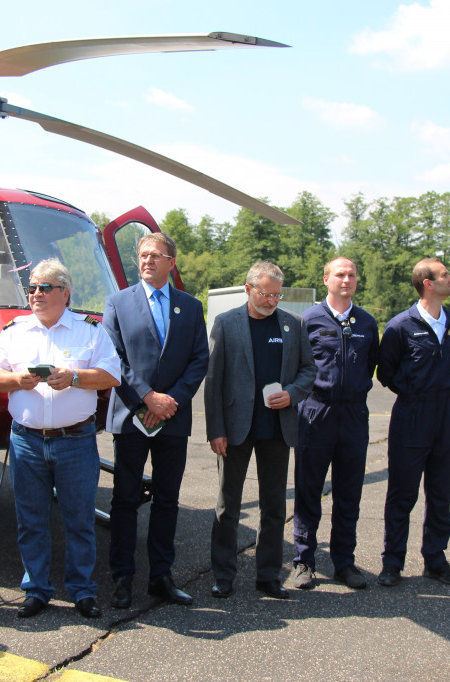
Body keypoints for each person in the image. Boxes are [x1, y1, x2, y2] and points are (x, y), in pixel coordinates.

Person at [0, 258, 121, 620]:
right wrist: (16, 381)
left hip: (75, 441)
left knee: (79, 519)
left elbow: (111, 374)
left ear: (65, 293)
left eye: (45, 287)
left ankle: (81, 590)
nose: (36, 294)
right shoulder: (14, 330)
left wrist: (74, 377)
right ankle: (37, 589)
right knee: (31, 519)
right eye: (32, 288)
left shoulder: (89, 329)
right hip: (26, 440)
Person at [102, 233, 208, 609]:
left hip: (173, 420)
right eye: (142, 255)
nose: (146, 261)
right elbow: (113, 357)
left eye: (155, 255)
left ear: (171, 262)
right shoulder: (117, 302)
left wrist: (170, 402)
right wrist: (147, 397)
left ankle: (161, 577)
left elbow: (199, 360)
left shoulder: (191, 307)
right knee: (125, 499)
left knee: (167, 500)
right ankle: (123, 578)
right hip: (132, 416)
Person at [204, 261, 316, 600]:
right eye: (265, 294)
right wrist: (215, 430)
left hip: (276, 430)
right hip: (235, 429)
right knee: (228, 505)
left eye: (277, 295)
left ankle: (268, 576)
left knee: (274, 506)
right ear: (248, 289)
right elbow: (213, 382)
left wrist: (293, 393)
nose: (271, 301)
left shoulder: (292, 325)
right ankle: (223, 575)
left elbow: (309, 370)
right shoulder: (226, 323)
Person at [376, 257, 450, 588]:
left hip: (445, 414)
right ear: (427, 283)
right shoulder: (401, 326)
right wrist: (414, 393)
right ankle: (392, 562)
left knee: (440, 492)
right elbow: (386, 372)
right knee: (402, 493)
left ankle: (436, 560)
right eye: (445, 275)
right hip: (412, 415)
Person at [291, 257, 379, 591]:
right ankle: (304, 560)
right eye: (340, 274)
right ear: (326, 279)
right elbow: (297, 366)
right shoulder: (307, 320)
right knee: (308, 491)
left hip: (354, 416)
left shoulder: (367, 323)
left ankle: (344, 562)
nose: (346, 280)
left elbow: (370, 363)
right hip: (317, 413)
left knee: (349, 494)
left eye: (352, 275)